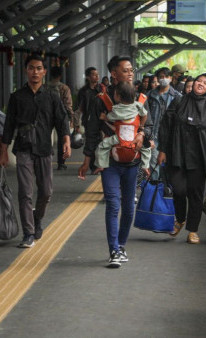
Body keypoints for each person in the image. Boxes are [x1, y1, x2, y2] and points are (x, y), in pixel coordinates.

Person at [78, 55, 153, 268]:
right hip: (110, 162)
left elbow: (150, 126)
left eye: (131, 70)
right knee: (113, 203)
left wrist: (142, 135)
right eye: (126, 70)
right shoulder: (101, 100)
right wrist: (87, 160)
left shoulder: (141, 99)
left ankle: (121, 244)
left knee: (128, 206)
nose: (131, 73)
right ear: (114, 74)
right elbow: (92, 131)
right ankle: (114, 250)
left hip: (132, 161)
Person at [0, 54, 71, 248]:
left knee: (46, 192)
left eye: (39, 68)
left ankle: (37, 218)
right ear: (26, 70)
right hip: (23, 149)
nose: (35, 72)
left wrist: (66, 140)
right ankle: (28, 233)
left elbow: (61, 119)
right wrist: (3, 151)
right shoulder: (17, 97)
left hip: (44, 149)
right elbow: (8, 126)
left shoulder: (52, 96)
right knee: (25, 192)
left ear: (44, 71)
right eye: (31, 68)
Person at [157, 74, 206, 244]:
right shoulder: (179, 102)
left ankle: (193, 230)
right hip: (177, 154)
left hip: (199, 158)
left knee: (195, 195)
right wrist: (163, 150)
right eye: (198, 81)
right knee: (179, 190)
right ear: (193, 84)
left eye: (205, 83)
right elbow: (166, 126)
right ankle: (180, 218)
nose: (201, 84)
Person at [94, 81, 151, 173]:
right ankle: (145, 166)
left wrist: (105, 117)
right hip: (134, 137)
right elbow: (145, 114)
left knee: (102, 146)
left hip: (118, 138)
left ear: (118, 97)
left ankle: (101, 165)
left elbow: (111, 118)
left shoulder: (116, 109)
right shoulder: (138, 105)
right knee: (146, 148)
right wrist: (141, 126)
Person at [146, 67, 182, 180]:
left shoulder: (177, 96)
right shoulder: (150, 95)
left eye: (166, 76)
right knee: (154, 165)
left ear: (171, 78)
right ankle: (155, 192)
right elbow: (145, 116)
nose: (164, 79)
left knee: (169, 165)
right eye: (161, 77)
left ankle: (167, 190)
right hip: (154, 135)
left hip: (171, 136)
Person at [46, 66, 75, 170]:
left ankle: (46, 159)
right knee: (62, 139)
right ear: (60, 75)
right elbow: (68, 104)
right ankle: (61, 163)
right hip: (61, 116)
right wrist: (71, 118)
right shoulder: (64, 88)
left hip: (47, 115)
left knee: (45, 137)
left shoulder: (45, 87)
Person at [78, 67, 103, 173]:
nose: (97, 76)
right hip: (89, 120)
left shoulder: (102, 89)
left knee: (101, 143)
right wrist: (76, 124)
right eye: (93, 74)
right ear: (88, 77)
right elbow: (79, 107)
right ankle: (92, 166)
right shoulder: (83, 91)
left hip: (101, 119)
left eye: (97, 74)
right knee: (90, 142)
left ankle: (98, 165)